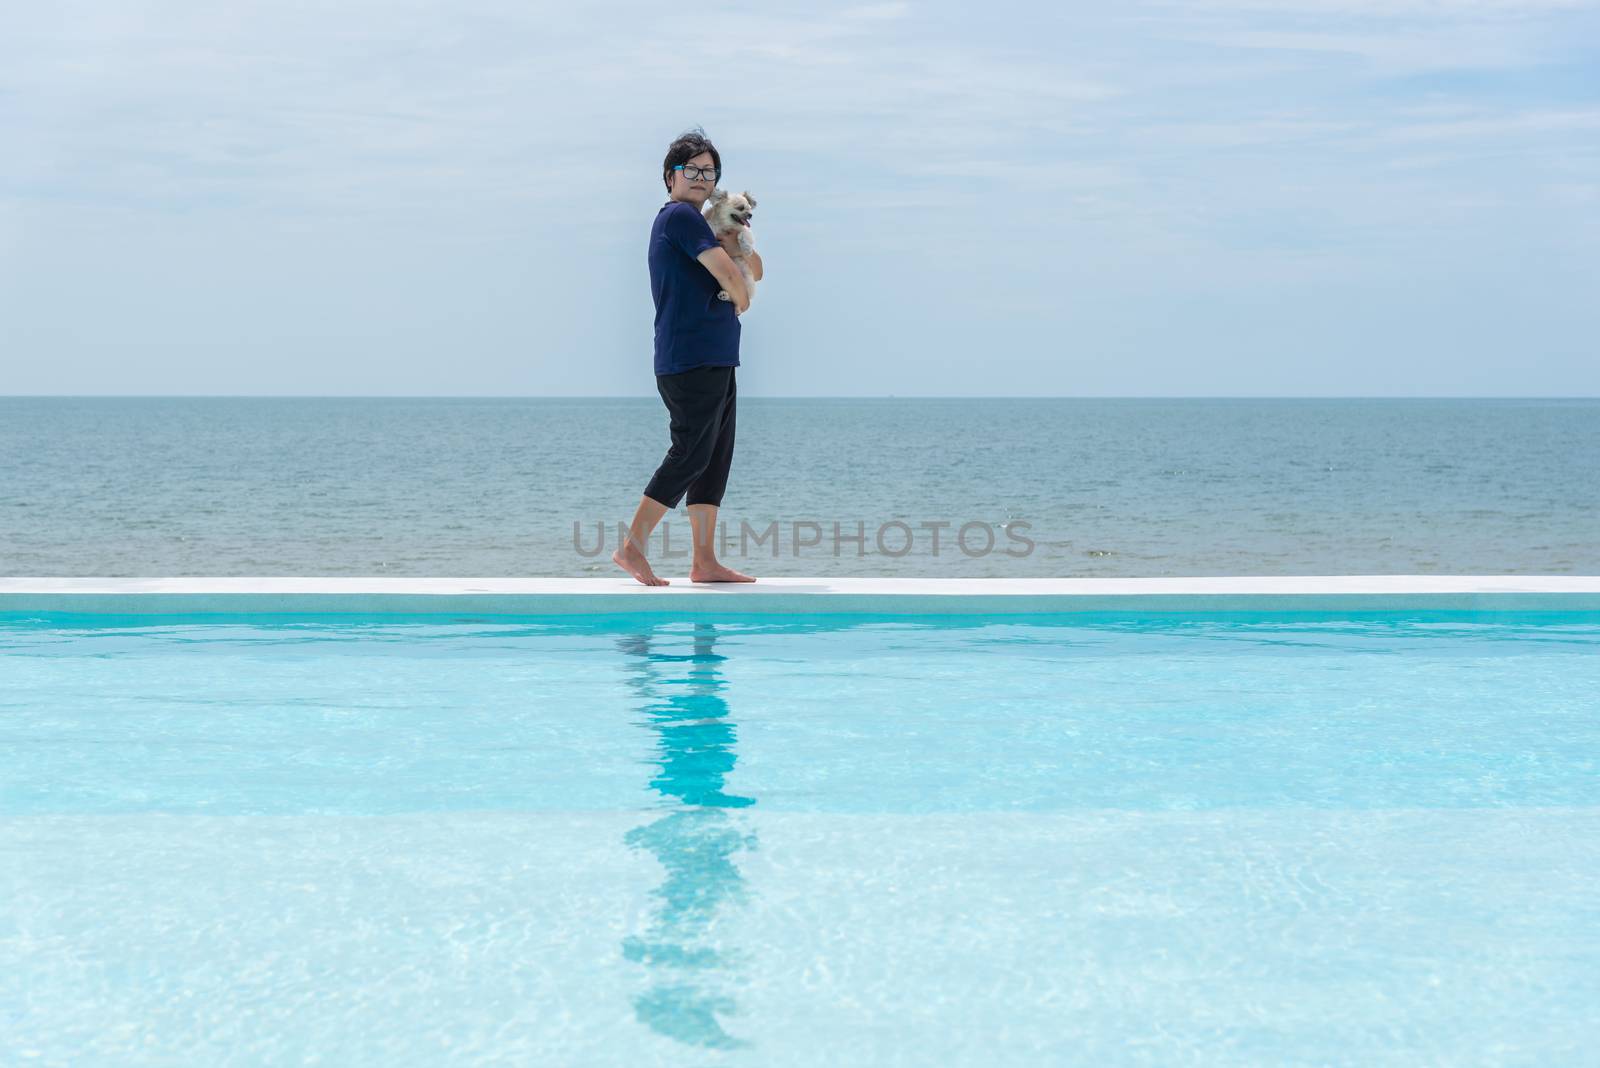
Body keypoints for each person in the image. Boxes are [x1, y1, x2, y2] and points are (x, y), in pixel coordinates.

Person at [613, 128, 763, 586]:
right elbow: (730, 276)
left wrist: (738, 239)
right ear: (670, 176)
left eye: (709, 171)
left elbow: (755, 268)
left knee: (713, 457)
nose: (700, 177)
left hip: (717, 354)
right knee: (690, 454)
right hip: (690, 354)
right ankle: (631, 548)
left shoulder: (708, 223)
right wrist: (742, 298)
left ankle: (704, 562)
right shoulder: (680, 215)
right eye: (691, 169)